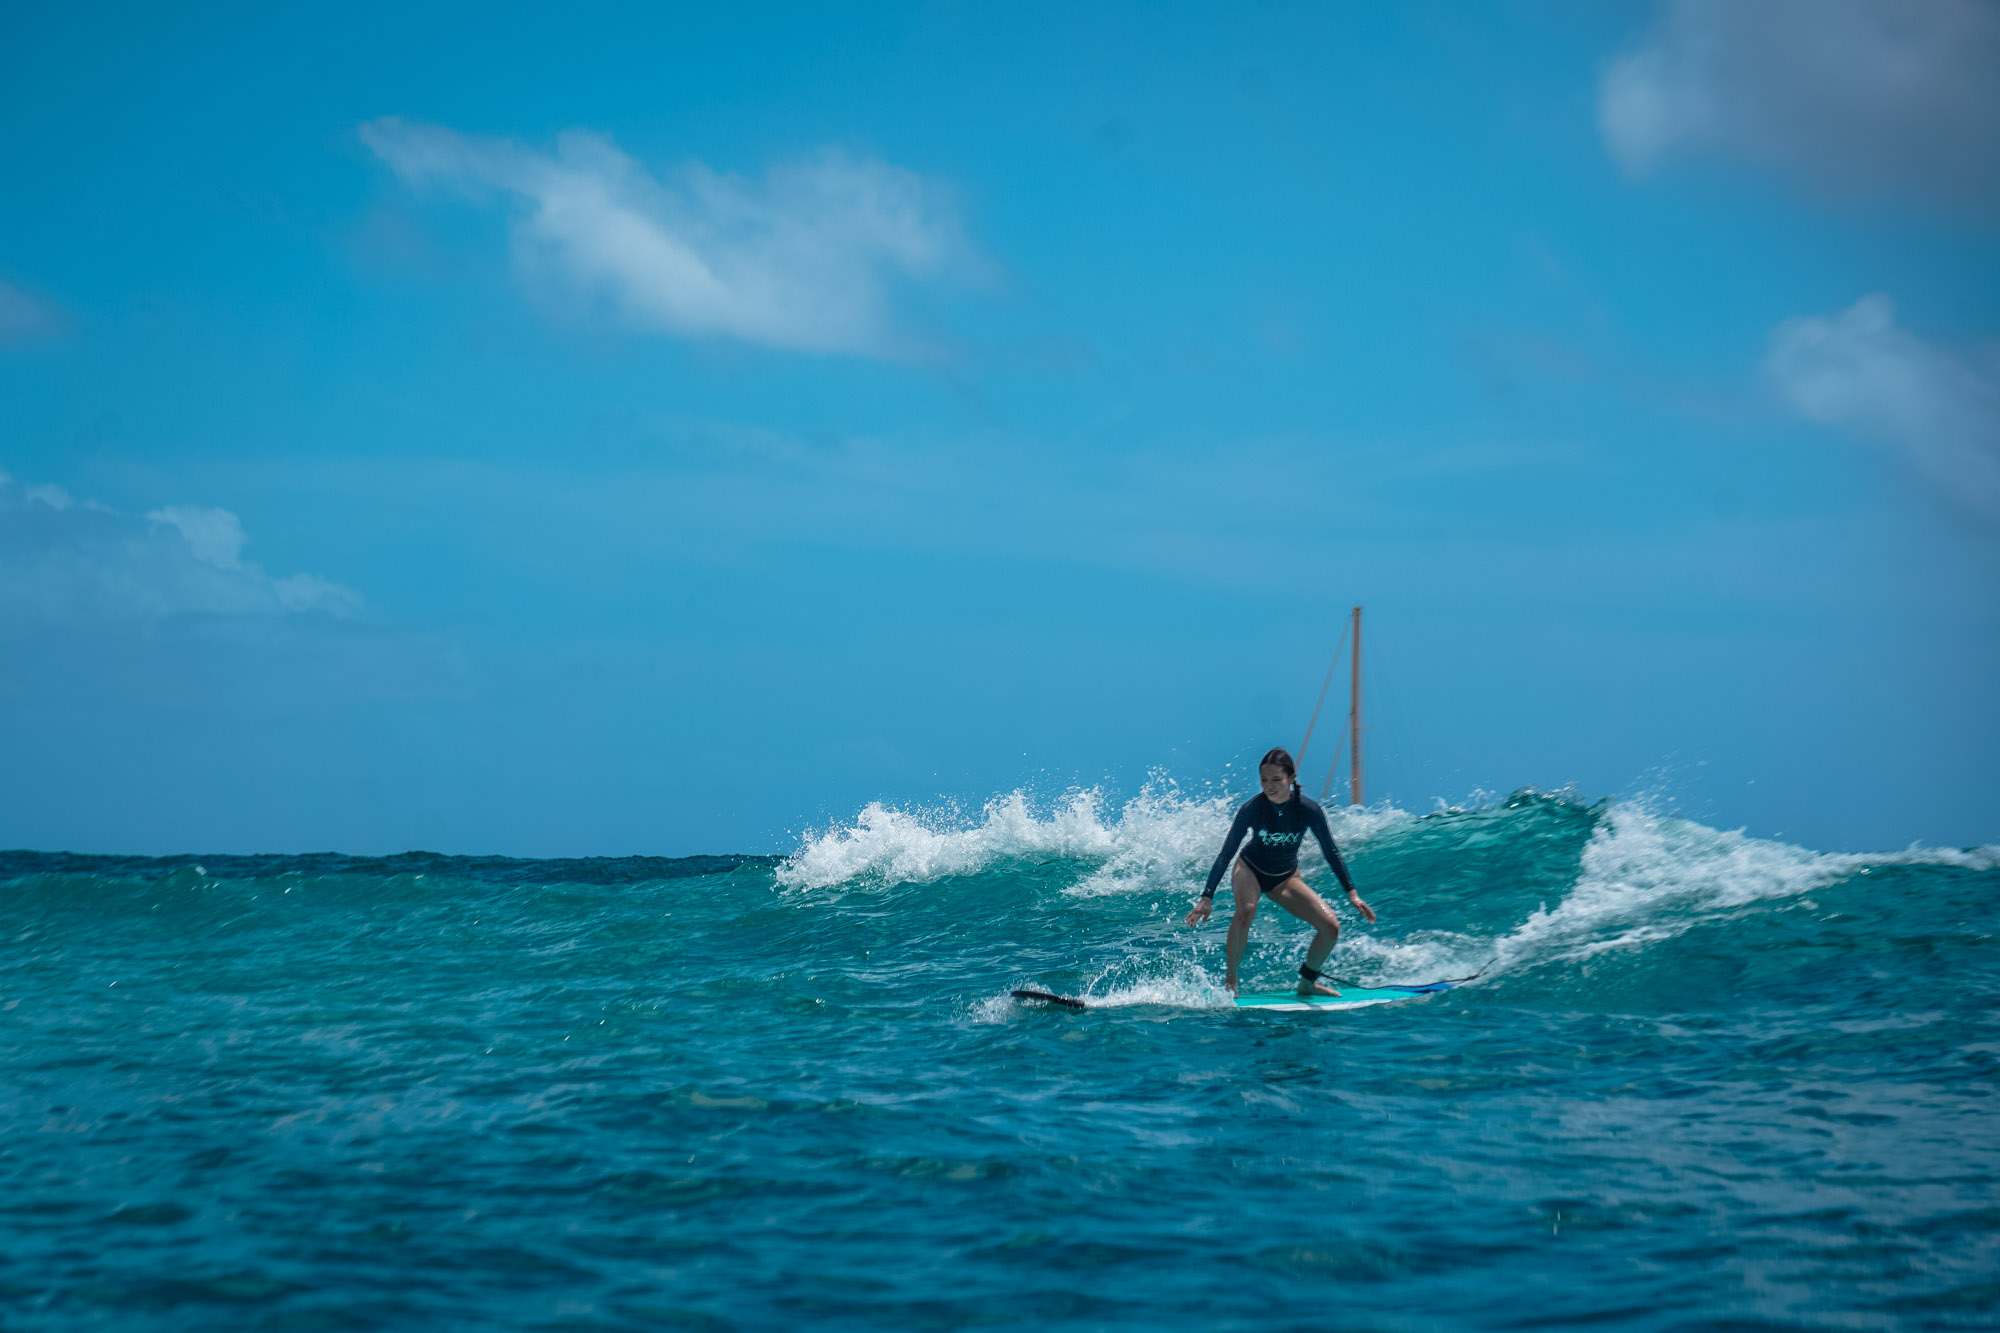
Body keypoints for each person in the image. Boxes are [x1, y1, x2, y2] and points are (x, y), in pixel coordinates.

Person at [1184, 747, 1375, 996]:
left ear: (1291, 778)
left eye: (1276, 779)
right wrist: (1206, 897)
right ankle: (1231, 982)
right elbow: (1226, 854)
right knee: (1247, 910)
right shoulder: (1252, 809)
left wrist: (1352, 893)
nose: (1269, 786)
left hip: (1285, 877)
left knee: (1331, 927)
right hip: (1250, 868)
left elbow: (1331, 852)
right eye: (1264, 780)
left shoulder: (1309, 810)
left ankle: (1306, 983)